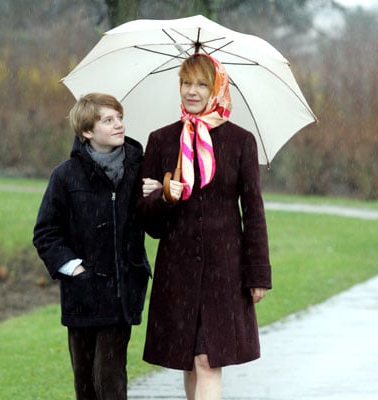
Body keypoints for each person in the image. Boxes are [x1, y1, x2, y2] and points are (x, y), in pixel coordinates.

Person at [139, 53, 272, 399]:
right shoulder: (161, 140)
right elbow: (147, 221)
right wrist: (165, 197)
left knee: (207, 360)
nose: (192, 92)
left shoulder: (240, 141)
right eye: (186, 83)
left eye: (201, 84)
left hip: (223, 271)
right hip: (177, 270)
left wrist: (257, 274)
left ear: (217, 88)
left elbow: (254, 211)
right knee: (189, 360)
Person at [33, 93, 151, 400]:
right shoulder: (65, 176)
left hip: (122, 292)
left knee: (109, 381)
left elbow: (157, 226)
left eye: (120, 118)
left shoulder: (141, 169)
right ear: (87, 131)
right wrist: (75, 268)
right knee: (85, 385)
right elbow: (46, 233)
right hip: (81, 295)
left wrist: (160, 196)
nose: (119, 125)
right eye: (108, 120)